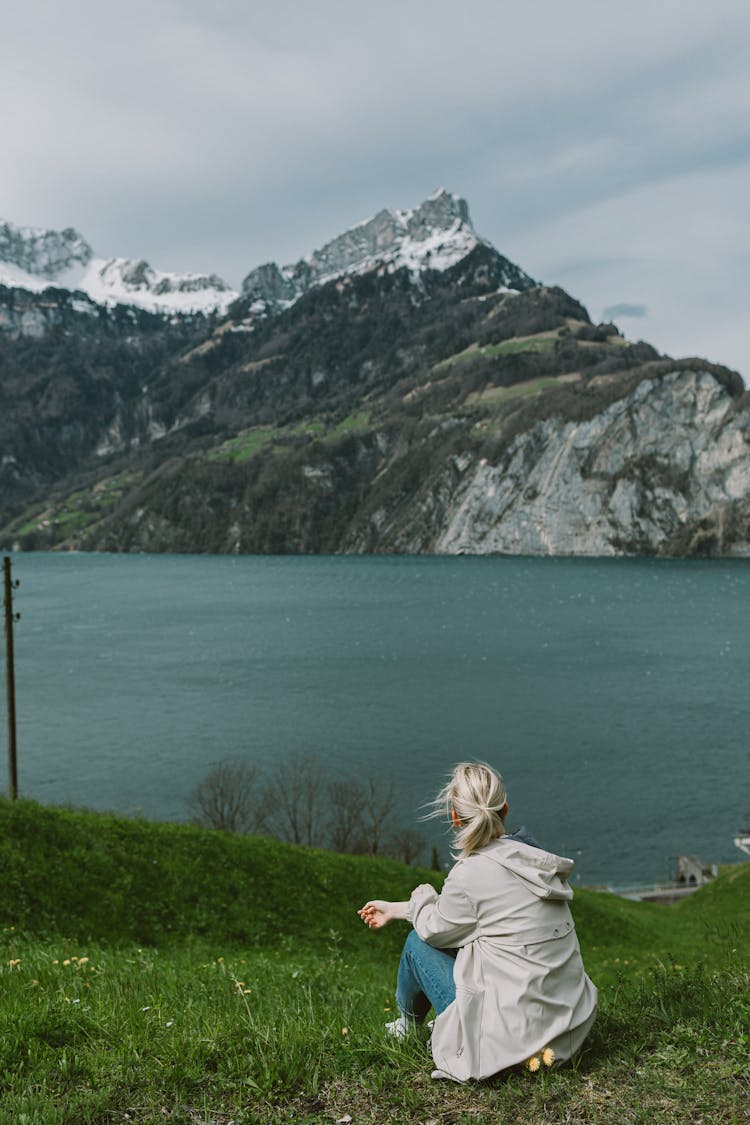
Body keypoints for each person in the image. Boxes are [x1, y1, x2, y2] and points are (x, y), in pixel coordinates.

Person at [357, 761, 597, 1082]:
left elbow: (433, 929)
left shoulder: (469, 875)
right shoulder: (535, 862)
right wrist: (395, 909)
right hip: (568, 1035)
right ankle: (415, 1025)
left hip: (516, 1049)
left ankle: (408, 1026)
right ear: (505, 809)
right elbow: (463, 921)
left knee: (417, 942)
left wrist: (418, 899)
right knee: (471, 945)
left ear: (455, 818)